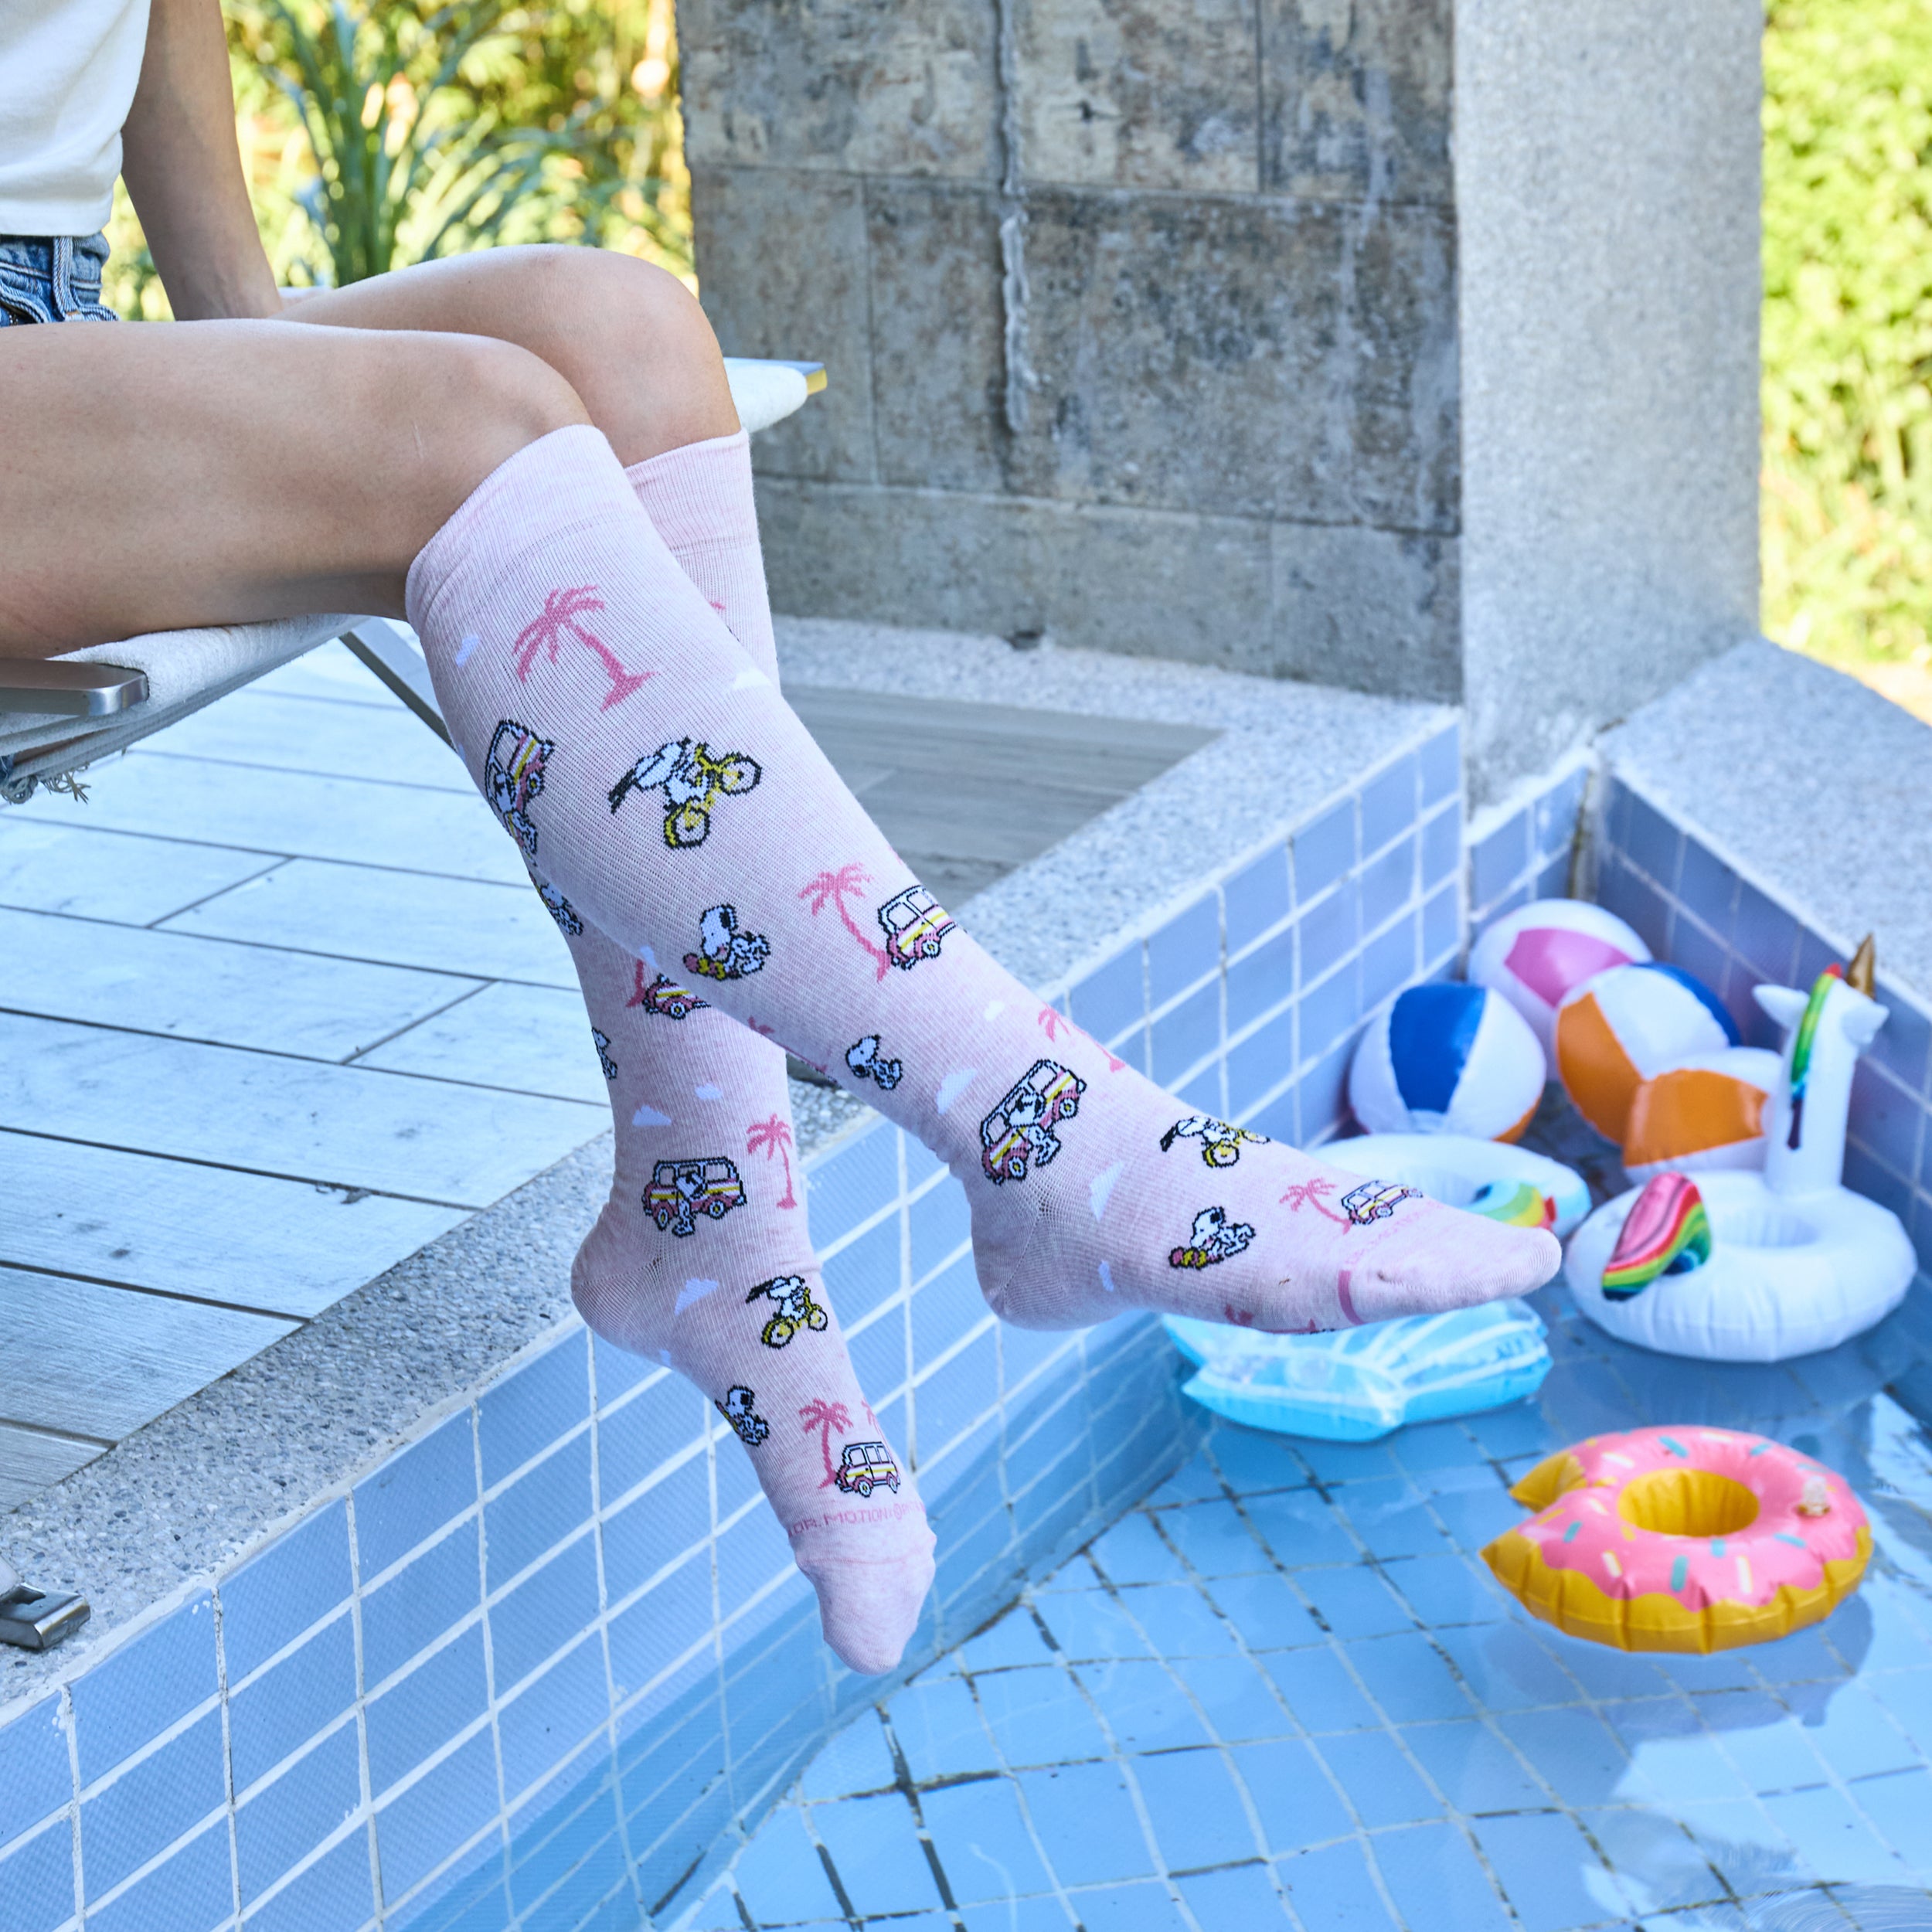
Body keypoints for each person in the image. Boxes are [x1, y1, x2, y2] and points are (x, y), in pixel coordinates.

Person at [0, 0, 1561, 1677]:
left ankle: (706, 1206)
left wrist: (245, 339)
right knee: (469, 442)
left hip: (54, 318)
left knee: (615, 330)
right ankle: (1068, 1150)